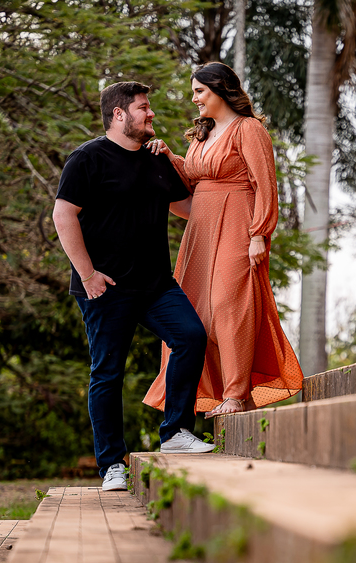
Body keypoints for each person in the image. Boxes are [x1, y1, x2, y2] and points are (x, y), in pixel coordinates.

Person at [53, 81, 216, 493]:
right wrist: (88, 274)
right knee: (108, 373)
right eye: (144, 108)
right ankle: (111, 464)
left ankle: (176, 431)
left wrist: (225, 187)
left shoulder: (155, 159)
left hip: (156, 284)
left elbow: (187, 208)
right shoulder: (87, 159)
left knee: (192, 337)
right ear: (119, 114)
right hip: (105, 287)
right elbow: (63, 215)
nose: (152, 114)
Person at [142, 62, 303, 419]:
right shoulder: (202, 134)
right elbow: (194, 181)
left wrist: (260, 233)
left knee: (229, 305)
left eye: (199, 90)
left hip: (238, 225)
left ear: (220, 89)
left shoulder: (249, 129)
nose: (194, 97)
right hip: (200, 231)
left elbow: (265, 183)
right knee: (197, 314)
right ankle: (208, 396)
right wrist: (170, 157)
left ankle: (236, 394)